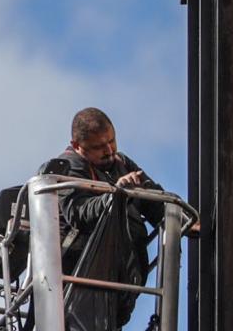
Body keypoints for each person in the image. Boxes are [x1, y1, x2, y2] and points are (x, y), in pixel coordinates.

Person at [37, 107, 165, 273]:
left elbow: (154, 202)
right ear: (76, 146)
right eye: (99, 147)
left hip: (123, 273)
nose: (109, 151)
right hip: (80, 274)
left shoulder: (122, 163)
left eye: (111, 141)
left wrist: (188, 221)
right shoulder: (66, 168)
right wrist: (117, 195)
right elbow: (79, 212)